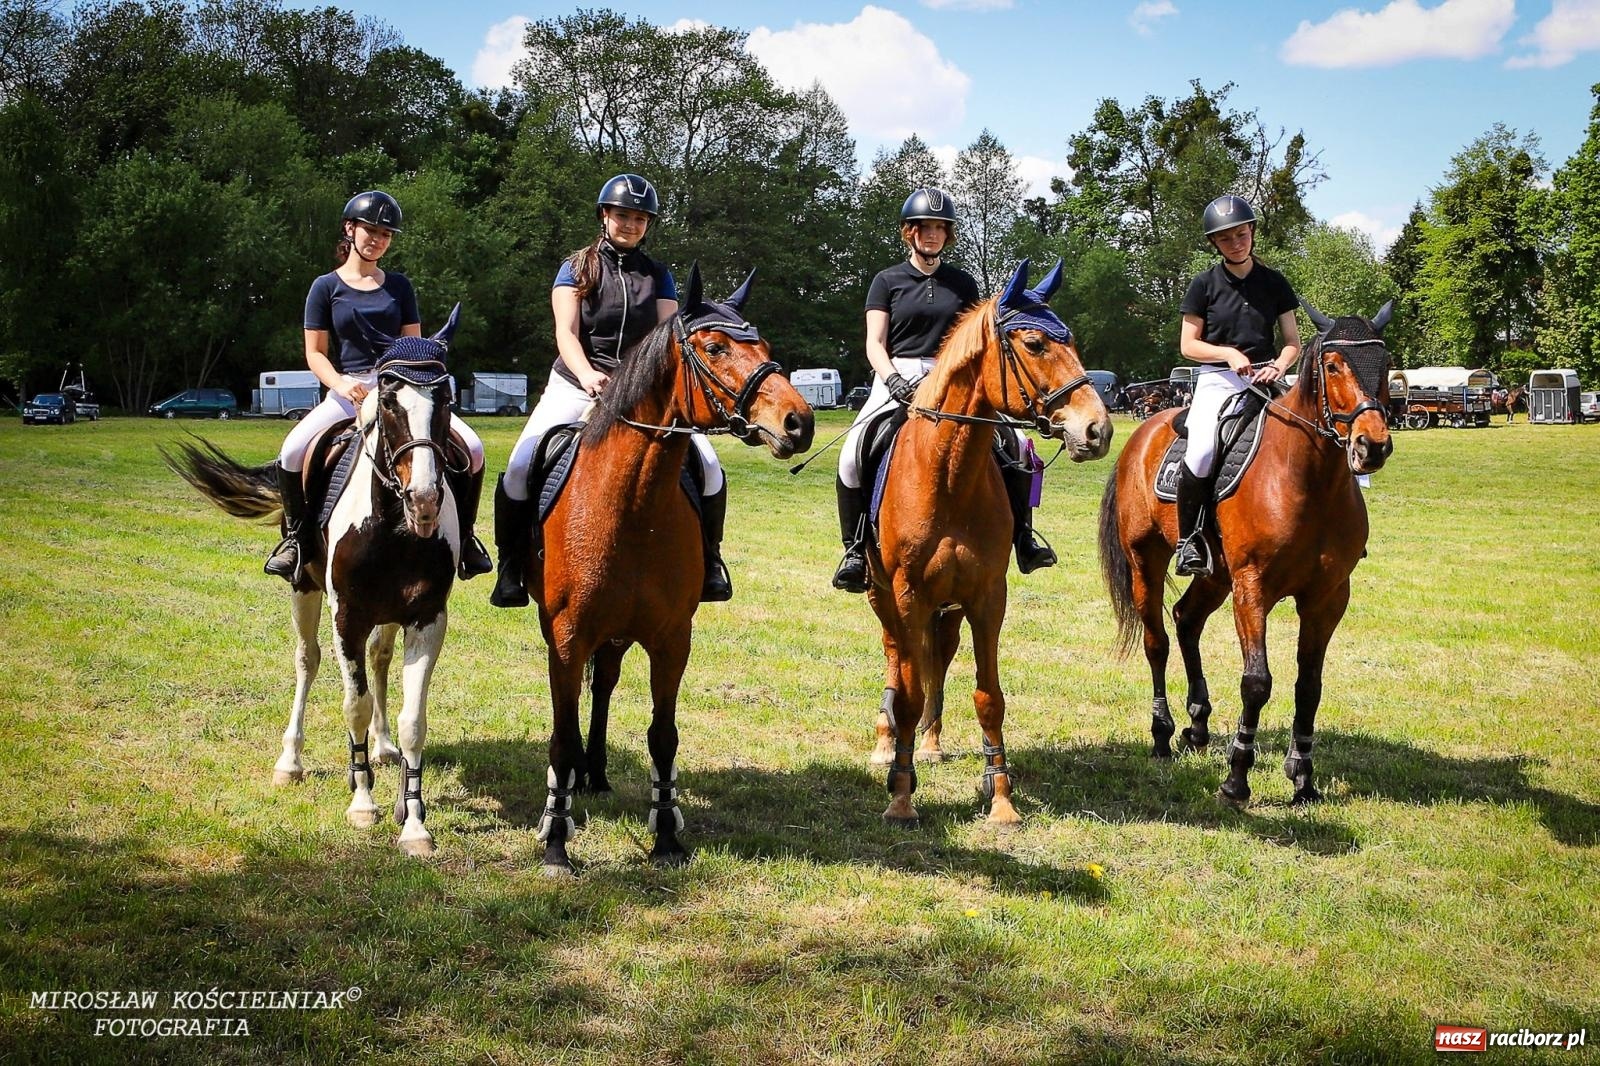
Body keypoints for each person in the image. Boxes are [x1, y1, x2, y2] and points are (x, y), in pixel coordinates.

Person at [491, 173, 732, 608]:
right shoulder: (577, 267)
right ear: (605, 215)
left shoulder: (658, 275)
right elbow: (565, 332)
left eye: (641, 218)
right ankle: (510, 567)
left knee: (710, 465)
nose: (631, 224)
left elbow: (665, 338)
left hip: (640, 392)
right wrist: (586, 375)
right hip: (578, 383)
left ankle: (711, 561)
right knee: (520, 464)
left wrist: (647, 387)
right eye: (623, 215)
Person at [831, 187, 1055, 593]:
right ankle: (854, 550)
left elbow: (979, 340)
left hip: (954, 377)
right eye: (924, 228)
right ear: (909, 232)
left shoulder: (963, 283)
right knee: (851, 455)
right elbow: (873, 343)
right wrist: (893, 380)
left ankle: (1024, 537)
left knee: (1018, 444)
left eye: (939, 228)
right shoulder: (887, 281)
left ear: (947, 235)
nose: (932, 235)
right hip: (897, 372)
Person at [267, 190, 491, 583]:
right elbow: (315, 353)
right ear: (349, 229)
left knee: (472, 448)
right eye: (370, 230)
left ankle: (467, 539)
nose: (377, 239)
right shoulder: (325, 287)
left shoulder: (400, 287)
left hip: (400, 387)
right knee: (292, 451)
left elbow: (413, 349)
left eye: (386, 234)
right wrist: (342, 383)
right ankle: (298, 541)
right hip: (348, 388)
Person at [1174, 193, 1302, 577]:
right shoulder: (1204, 285)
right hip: (1219, 381)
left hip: (1268, 379)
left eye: (1242, 234)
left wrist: (1279, 365)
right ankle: (1189, 540)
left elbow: (1293, 342)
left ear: (1252, 233)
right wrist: (1227, 354)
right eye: (1227, 238)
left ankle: (1339, 529)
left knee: (1319, 431)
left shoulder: (1275, 283)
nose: (1236, 243)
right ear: (1215, 243)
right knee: (1201, 451)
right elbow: (1188, 345)